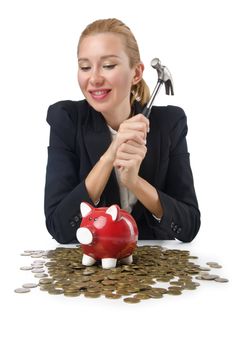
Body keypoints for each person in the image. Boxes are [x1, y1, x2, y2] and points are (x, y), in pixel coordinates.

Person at [44, 18, 200, 244]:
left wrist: (134, 182)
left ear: (136, 73)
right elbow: (59, 228)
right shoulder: (66, 119)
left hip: (154, 268)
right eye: (85, 67)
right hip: (94, 270)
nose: (94, 78)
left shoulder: (169, 124)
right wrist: (110, 155)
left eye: (108, 65)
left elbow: (189, 226)